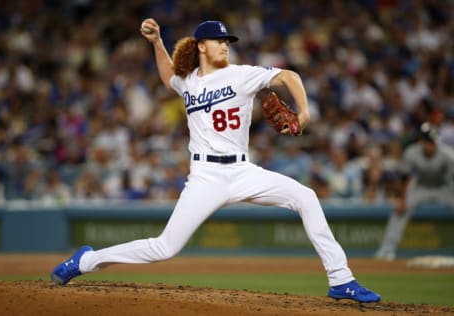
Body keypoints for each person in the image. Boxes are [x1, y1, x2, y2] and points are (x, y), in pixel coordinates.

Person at [51, 19, 381, 303]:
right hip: (205, 176)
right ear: (201, 46)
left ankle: (341, 280)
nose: (224, 45)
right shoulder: (189, 82)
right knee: (165, 247)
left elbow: (288, 76)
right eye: (218, 41)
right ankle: (87, 260)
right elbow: (169, 77)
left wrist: (304, 111)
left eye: (227, 41)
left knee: (305, 197)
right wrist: (157, 42)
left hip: (242, 170)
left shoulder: (242, 74)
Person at [375, 122, 454, 260]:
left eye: (433, 142)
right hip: (421, 186)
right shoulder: (412, 152)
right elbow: (404, 178)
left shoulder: (448, 155)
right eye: (428, 142)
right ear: (422, 141)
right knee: (400, 210)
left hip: (444, 187)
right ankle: (386, 250)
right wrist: (402, 199)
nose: (430, 145)